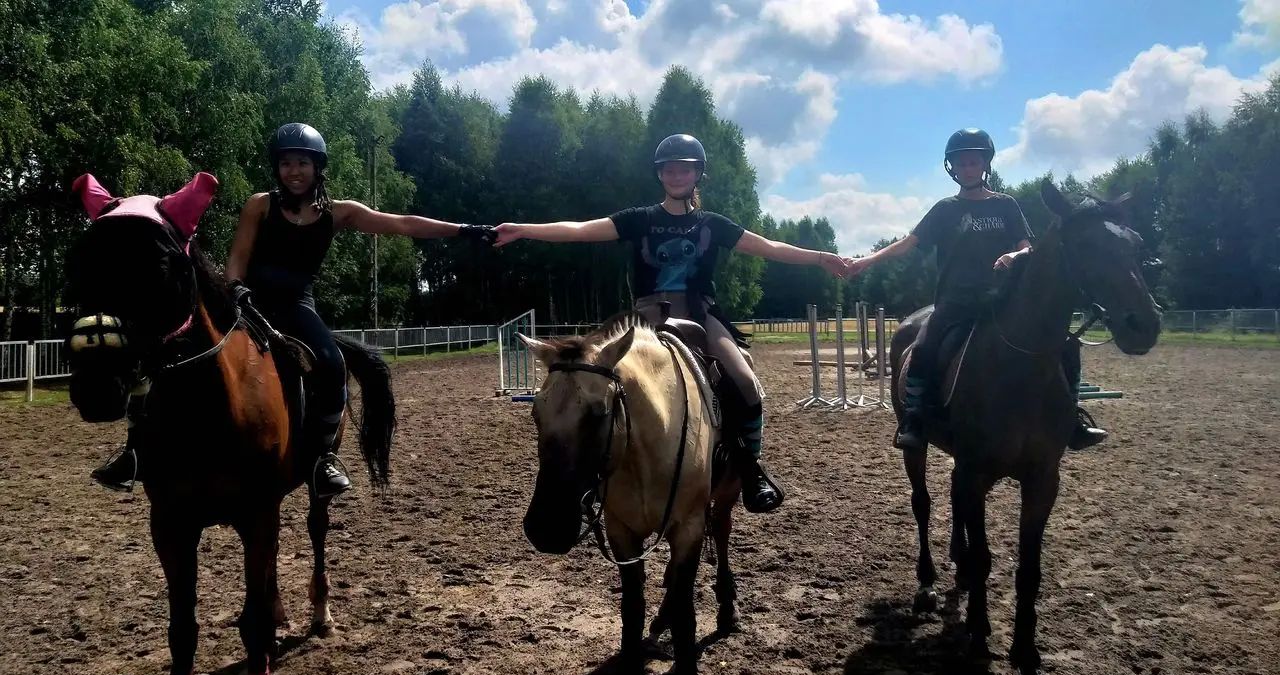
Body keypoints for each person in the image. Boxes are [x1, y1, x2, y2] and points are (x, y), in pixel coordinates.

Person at [92, 122, 495, 496]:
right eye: (286, 163)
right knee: (165, 352)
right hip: (246, 303)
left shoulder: (339, 212)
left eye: (302, 162)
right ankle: (136, 451)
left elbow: (403, 223)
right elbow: (238, 257)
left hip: (297, 307)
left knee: (332, 364)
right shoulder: (260, 205)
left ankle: (322, 458)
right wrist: (236, 287)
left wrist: (465, 231)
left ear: (318, 167)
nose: (294, 171)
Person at [492, 133, 850, 513]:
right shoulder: (640, 220)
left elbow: (769, 246)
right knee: (593, 376)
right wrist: (525, 229)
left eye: (685, 169)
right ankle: (592, 475)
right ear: (660, 174)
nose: (676, 175)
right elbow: (580, 230)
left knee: (745, 381)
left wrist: (819, 257)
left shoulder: (713, 224)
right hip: (647, 315)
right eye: (669, 169)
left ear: (698, 174)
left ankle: (751, 468)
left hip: (701, 313)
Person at [846, 128, 1106, 451]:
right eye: (961, 163)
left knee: (1067, 344)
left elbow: (1028, 247)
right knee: (923, 347)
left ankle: (1071, 419)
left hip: (1003, 300)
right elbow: (907, 244)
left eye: (973, 162)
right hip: (955, 302)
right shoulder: (944, 210)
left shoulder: (1006, 205)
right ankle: (913, 418)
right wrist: (867, 260)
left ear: (985, 165)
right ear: (952, 168)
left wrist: (1014, 255)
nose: (968, 168)